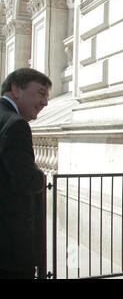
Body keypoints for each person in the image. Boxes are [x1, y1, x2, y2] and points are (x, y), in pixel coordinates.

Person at [0, 68, 51, 279]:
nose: (45, 102)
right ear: (16, 90)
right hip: (10, 250)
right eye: (40, 93)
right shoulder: (15, 124)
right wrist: (39, 175)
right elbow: (26, 181)